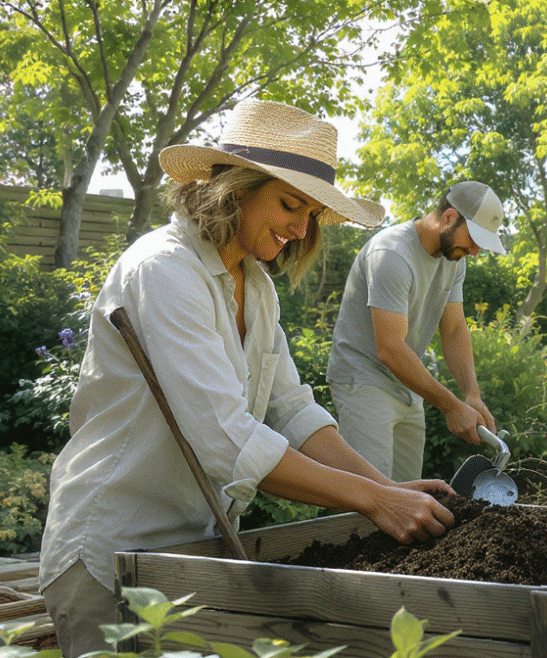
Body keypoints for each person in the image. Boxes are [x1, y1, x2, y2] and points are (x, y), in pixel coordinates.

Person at [39, 99, 456, 657]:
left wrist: (383, 487)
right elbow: (226, 440)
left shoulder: (255, 287)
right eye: (290, 204)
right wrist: (370, 502)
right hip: (112, 552)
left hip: (193, 551)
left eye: (311, 214)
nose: (300, 227)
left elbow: (292, 409)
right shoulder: (165, 270)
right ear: (234, 187)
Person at [327, 182, 506, 482]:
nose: (475, 251)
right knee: (370, 497)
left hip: (409, 386)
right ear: (449, 217)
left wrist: (471, 395)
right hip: (364, 381)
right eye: (474, 239)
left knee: (408, 499)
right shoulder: (392, 254)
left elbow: (453, 329)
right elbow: (390, 349)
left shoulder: (453, 261)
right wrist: (451, 406)